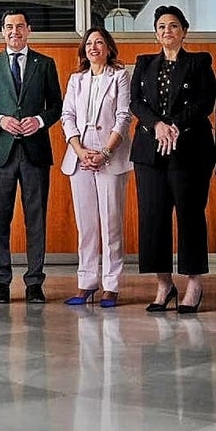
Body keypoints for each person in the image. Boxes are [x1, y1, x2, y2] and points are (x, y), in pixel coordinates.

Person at [0, 9, 63, 304]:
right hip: (0, 154)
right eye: (9, 26)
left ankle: (35, 282)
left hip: (35, 152)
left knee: (35, 219)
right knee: (0, 219)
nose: (15, 31)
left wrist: (39, 120)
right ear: (2, 31)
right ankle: (1, 281)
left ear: (29, 30)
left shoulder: (45, 64)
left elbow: (57, 106)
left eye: (20, 26)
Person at [130, 6, 216, 313]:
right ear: (156, 33)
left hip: (190, 149)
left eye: (174, 26)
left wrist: (175, 125)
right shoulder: (144, 63)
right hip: (149, 150)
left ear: (184, 31)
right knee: (153, 217)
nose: (167, 31)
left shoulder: (199, 61)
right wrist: (158, 126)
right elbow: (135, 102)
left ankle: (194, 282)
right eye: (162, 26)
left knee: (190, 214)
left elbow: (205, 101)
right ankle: (164, 284)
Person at [60, 27, 132, 308]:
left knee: (111, 222)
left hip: (109, 154)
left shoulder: (120, 77)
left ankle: (111, 285)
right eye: (89, 43)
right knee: (86, 224)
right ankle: (86, 281)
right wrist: (79, 150)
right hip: (79, 155)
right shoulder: (76, 79)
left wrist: (104, 152)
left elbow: (124, 117)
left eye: (99, 42)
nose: (93, 47)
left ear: (108, 48)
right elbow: (67, 116)